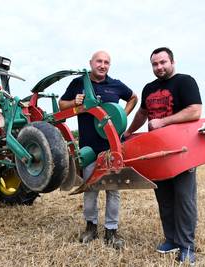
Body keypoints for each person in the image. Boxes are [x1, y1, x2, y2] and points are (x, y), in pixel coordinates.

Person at [124, 47, 202, 264]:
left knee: (184, 199)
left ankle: (187, 246)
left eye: (163, 62)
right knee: (165, 198)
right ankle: (171, 239)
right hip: (156, 152)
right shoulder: (149, 88)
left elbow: (195, 110)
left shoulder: (185, 82)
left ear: (172, 62)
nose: (159, 67)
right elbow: (142, 114)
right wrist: (129, 132)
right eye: (155, 64)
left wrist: (163, 122)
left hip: (182, 151)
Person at [59, 50, 137, 249]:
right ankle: (90, 227)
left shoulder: (116, 85)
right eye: (99, 61)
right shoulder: (79, 83)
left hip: (112, 147)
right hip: (89, 147)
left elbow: (133, 98)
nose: (102, 65)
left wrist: (122, 117)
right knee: (90, 188)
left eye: (106, 62)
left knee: (113, 190)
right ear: (91, 63)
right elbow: (62, 105)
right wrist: (74, 102)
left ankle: (111, 230)